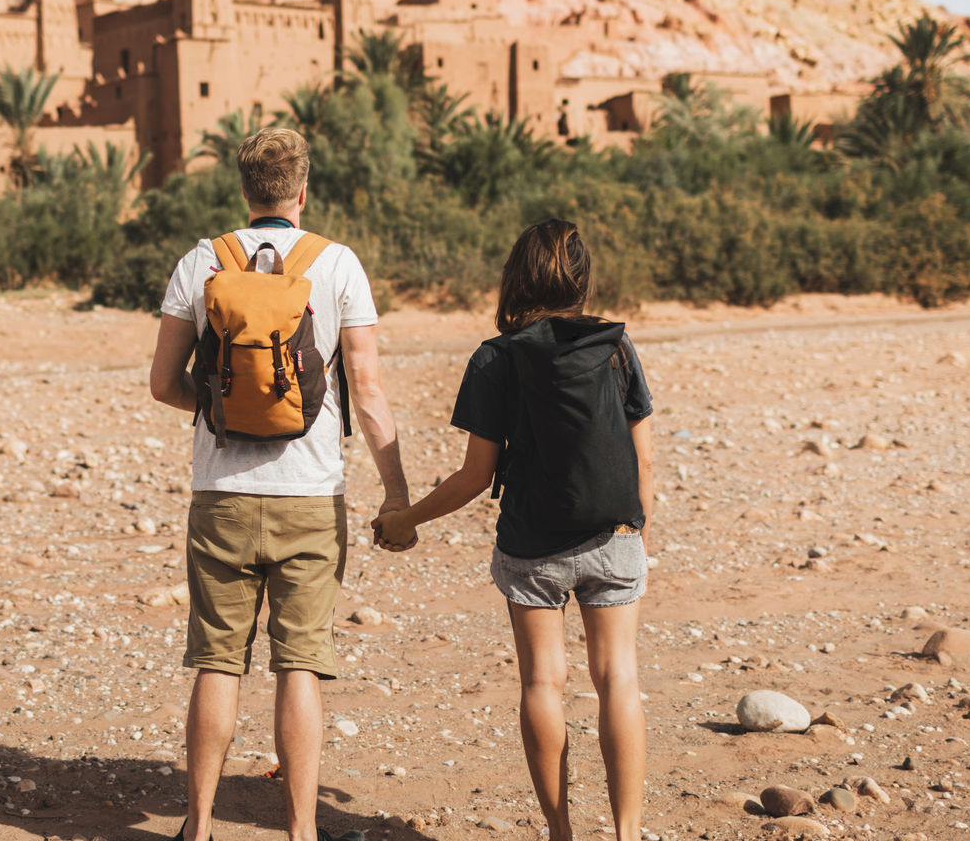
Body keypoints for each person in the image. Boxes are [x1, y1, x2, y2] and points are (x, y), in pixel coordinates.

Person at [148, 126, 411, 841]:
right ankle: (301, 831)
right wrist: (396, 493)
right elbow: (368, 390)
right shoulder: (339, 264)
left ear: (242, 190)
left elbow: (162, 383)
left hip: (222, 494)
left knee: (217, 662)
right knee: (300, 666)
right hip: (311, 497)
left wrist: (218, 406)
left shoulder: (203, 261)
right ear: (302, 191)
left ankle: (198, 825)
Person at [373, 219, 655, 841]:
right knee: (619, 678)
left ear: (516, 277)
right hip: (614, 534)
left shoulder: (497, 356)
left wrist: (405, 519)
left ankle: (560, 832)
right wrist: (635, 531)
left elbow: (475, 475)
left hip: (532, 545)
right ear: (582, 279)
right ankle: (629, 833)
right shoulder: (614, 346)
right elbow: (644, 461)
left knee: (541, 682)